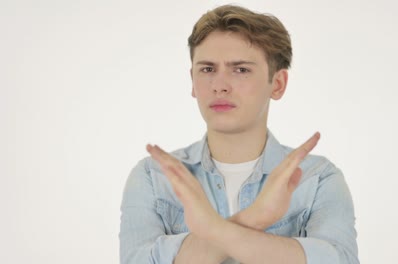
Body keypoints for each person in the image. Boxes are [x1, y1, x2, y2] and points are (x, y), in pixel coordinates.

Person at [119, 4, 359, 264]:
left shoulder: (317, 179)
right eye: (208, 69)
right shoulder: (153, 177)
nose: (219, 86)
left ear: (277, 84)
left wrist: (212, 230)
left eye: (241, 69)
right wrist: (254, 217)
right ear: (192, 81)